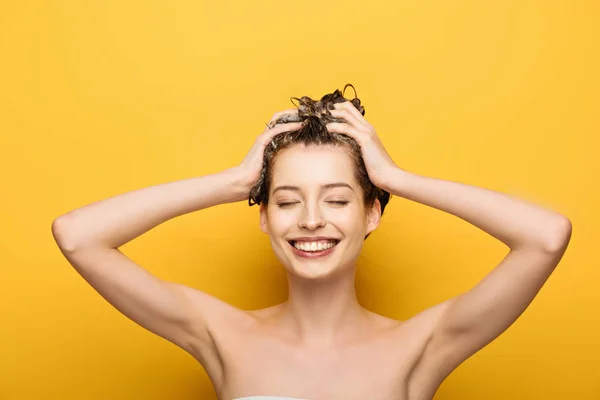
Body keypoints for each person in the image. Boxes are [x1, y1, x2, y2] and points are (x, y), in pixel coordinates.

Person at [51, 85, 572, 400]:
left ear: (372, 213)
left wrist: (396, 178)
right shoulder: (218, 333)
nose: (311, 220)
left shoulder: (423, 343)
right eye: (286, 200)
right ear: (264, 217)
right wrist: (235, 182)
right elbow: (78, 236)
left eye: (338, 200)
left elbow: (545, 237)